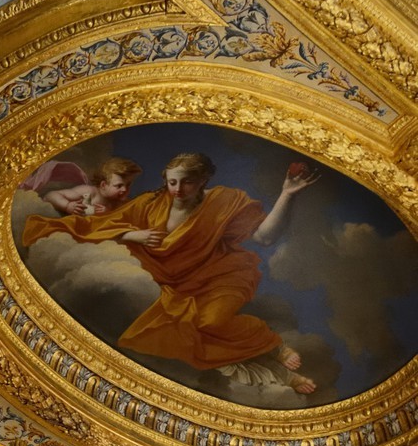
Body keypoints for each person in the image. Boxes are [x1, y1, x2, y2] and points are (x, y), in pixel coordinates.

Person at [24, 150, 319, 392]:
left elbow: (264, 237)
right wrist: (132, 234)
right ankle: (281, 375)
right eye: (172, 182)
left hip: (219, 277)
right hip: (170, 279)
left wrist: (287, 194)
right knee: (180, 334)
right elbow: (103, 226)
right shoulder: (150, 204)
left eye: (187, 183)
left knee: (210, 322)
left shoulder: (224, 202)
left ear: (203, 180)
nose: (177, 190)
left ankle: (274, 345)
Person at [21, 155, 142, 216]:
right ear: (103, 185)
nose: (125, 189)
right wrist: (67, 205)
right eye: (119, 186)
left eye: (128, 185)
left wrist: (108, 213)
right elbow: (51, 195)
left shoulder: (121, 203)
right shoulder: (89, 192)